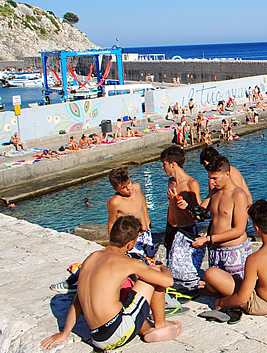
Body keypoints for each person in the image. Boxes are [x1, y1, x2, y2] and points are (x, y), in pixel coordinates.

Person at [40, 216, 182, 350]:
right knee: (154, 274)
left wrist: (64, 333)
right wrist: (162, 267)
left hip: (97, 337)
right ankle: (161, 324)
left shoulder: (92, 258)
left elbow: (78, 300)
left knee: (120, 293)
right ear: (130, 244)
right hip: (115, 335)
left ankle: (147, 329)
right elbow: (167, 281)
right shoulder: (126, 262)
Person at [214, 200, 267, 315]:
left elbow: (242, 299)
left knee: (212, 274)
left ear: (256, 228)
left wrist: (221, 302)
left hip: (264, 305)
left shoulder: (255, 259)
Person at [193, 156, 251, 294]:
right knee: (218, 287)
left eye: (215, 178)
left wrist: (208, 239)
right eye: (210, 178)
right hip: (215, 251)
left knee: (237, 290)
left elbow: (239, 229)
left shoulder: (238, 195)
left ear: (227, 174)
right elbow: (201, 213)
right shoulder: (214, 192)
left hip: (233, 250)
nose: (212, 182)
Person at [160, 145, 201, 259]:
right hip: (170, 227)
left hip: (185, 229)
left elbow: (197, 215)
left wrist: (177, 204)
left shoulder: (191, 184)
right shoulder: (170, 182)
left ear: (173, 164)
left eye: (164, 165)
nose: (163, 168)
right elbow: (170, 208)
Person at [107, 168, 155, 259]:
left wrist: (147, 219)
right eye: (123, 188)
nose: (128, 188)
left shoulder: (136, 187)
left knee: (152, 258)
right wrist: (113, 245)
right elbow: (111, 223)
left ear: (129, 178)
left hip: (146, 233)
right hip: (131, 239)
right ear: (115, 188)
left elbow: (143, 200)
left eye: (128, 183)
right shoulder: (115, 202)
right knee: (138, 262)